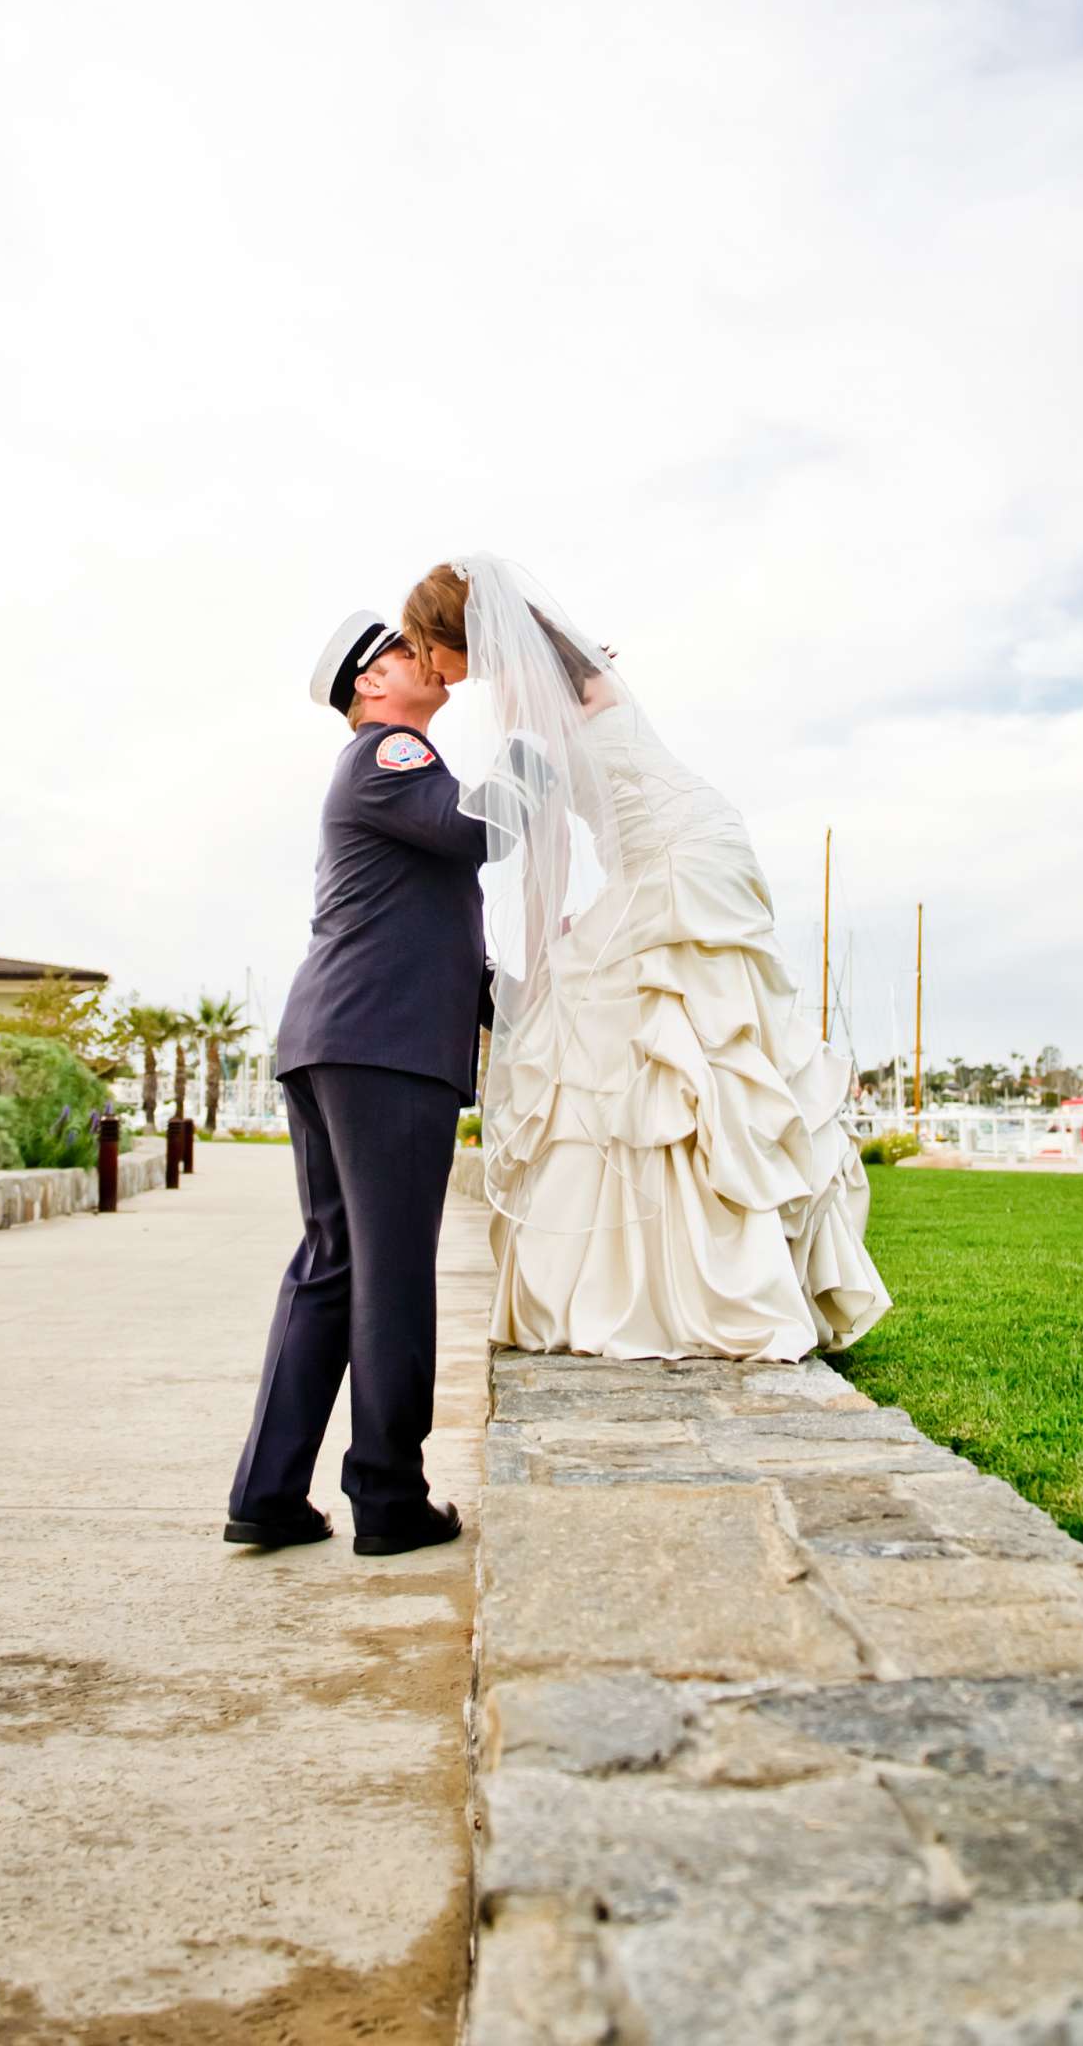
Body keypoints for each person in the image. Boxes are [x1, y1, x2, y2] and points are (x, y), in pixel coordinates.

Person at [400, 557, 891, 1362]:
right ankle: (731, 1272)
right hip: (689, 840)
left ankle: (695, 1290)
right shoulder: (568, 666)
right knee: (691, 1052)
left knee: (677, 1048)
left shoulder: (529, 693)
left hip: (670, 860)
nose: (428, 668)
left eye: (426, 648)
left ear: (458, 634)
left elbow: (541, 834)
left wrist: (538, 945)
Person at [224, 610, 491, 1555]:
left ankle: (268, 1493)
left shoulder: (380, 766)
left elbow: (418, 916)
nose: (422, 657)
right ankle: (387, 1498)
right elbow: (474, 834)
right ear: (368, 689)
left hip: (335, 1038)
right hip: (384, 1048)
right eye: (397, 652)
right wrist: (549, 738)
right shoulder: (392, 755)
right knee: (388, 1272)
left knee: (331, 1267)